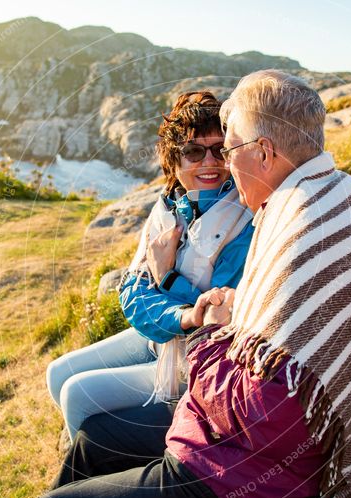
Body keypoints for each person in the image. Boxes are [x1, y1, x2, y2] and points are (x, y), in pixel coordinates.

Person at [29, 70, 351, 498]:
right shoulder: (325, 198)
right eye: (199, 152)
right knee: (93, 439)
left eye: (229, 148)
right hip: (234, 432)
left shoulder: (291, 227)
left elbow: (262, 407)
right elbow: (139, 288)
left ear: (262, 152)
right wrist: (205, 314)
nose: (221, 162)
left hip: (245, 473)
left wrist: (206, 328)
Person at [44, 91, 254, 441]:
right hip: (161, 336)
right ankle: (96, 451)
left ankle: (95, 467)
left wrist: (168, 278)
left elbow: (218, 317)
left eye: (220, 150)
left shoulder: (243, 219)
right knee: (57, 372)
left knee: (77, 393)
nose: (209, 162)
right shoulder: (168, 209)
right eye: (193, 152)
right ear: (174, 162)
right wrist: (176, 309)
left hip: (197, 355)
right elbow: (132, 293)